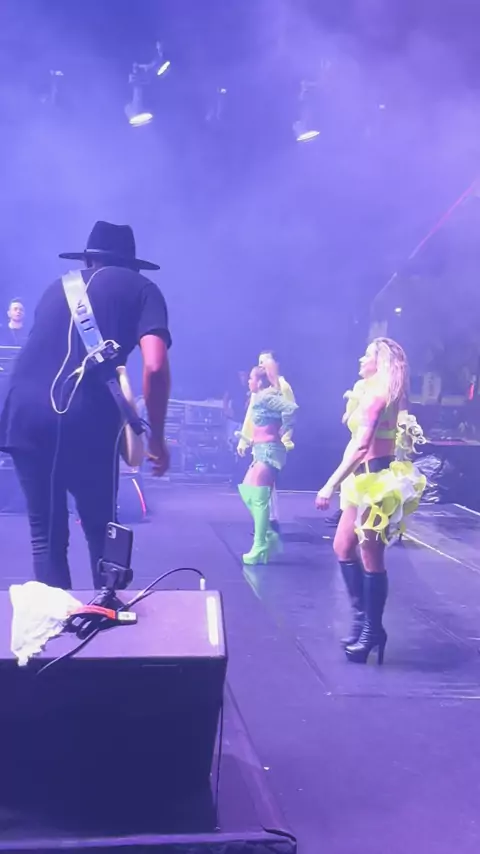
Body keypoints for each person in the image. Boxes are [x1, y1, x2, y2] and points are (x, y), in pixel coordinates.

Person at [0, 221, 171, 589]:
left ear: (89, 260)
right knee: (101, 530)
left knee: (46, 537)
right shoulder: (143, 288)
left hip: (23, 415)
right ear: (132, 263)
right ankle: (104, 613)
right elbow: (155, 365)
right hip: (85, 417)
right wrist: (156, 436)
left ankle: (53, 622)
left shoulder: (55, 288)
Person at [315, 338, 425, 664]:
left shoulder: (379, 395)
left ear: (380, 363)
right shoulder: (373, 392)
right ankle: (362, 621)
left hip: (375, 480)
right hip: (361, 479)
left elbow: (362, 446)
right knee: (342, 546)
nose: (361, 359)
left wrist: (329, 485)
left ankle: (372, 630)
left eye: (367, 356)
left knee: (369, 554)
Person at [238, 361, 297, 565]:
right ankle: (268, 534)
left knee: (259, 497)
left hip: (270, 450)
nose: (248, 381)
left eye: (251, 378)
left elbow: (291, 408)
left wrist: (285, 429)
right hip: (261, 449)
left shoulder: (266, 395)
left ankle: (260, 544)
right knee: (247, 491)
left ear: (259, 381)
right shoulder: (260, 397)